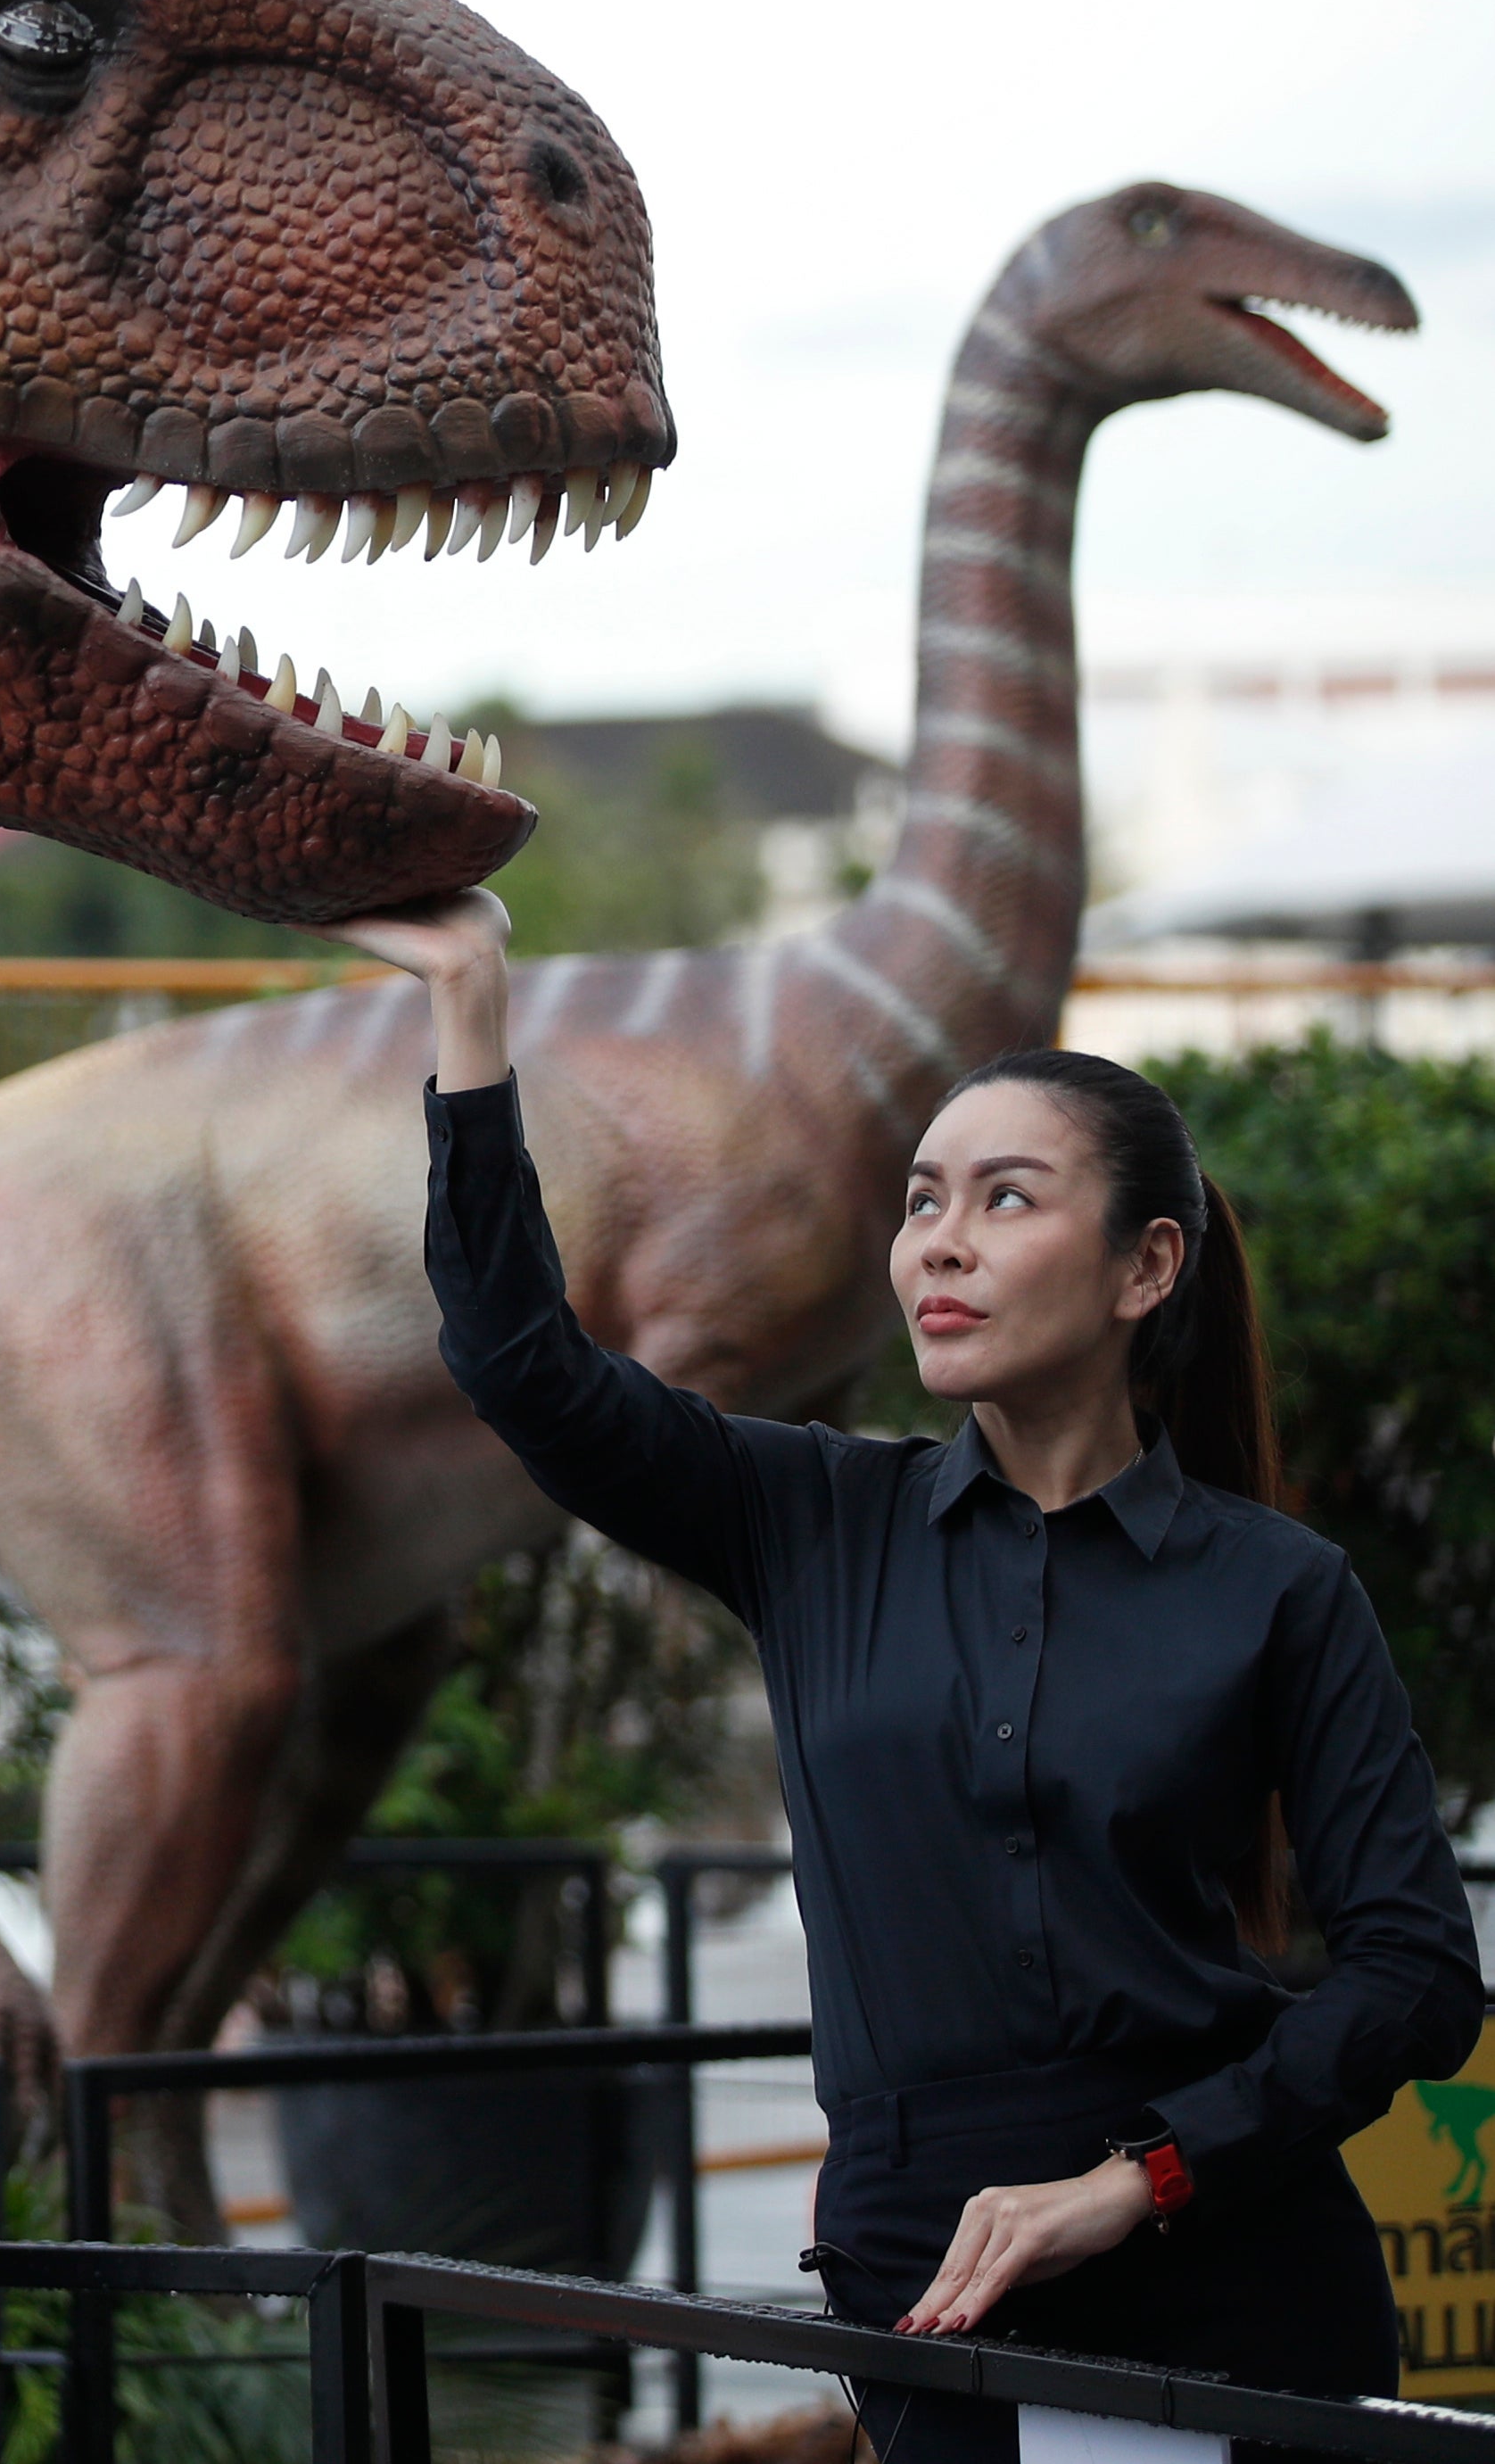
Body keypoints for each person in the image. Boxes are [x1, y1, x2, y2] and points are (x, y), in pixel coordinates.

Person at [346, 889, 1479, 2456]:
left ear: (1145, 1265)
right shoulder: (808, 1516)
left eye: (1004, 1199)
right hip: (934, 2283)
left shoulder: (1279, 1589)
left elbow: (1417, 1972)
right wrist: (470, 1004)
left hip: (1234, 2268)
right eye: (921, 1198)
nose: (937, 1239)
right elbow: (521, 1367)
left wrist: (1134, 2178)